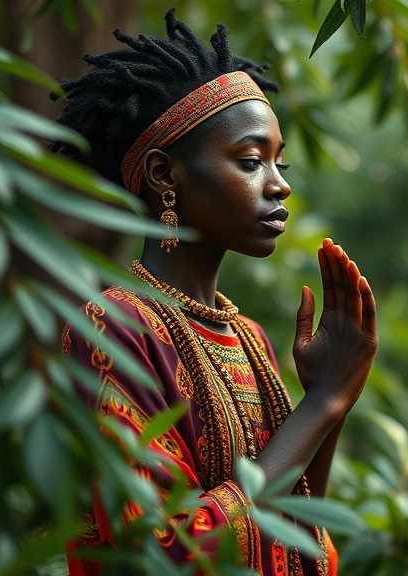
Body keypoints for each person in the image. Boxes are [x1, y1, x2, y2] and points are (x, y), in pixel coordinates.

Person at [51, 8, 378, 576]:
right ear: (163, 174)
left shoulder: (249, 339)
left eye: (280, 161)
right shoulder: (110, 330)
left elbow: (297, 527)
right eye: (251, 161)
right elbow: (164, 550)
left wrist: (330, 403)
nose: (280, 185)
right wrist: (322, 403)